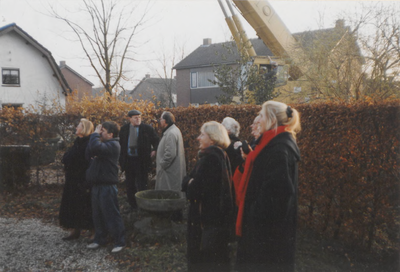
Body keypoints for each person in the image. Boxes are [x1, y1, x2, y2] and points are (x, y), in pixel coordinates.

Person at [235, 101, 301, 272]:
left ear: (272, 120)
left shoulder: (278, 149)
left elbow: (277, 196)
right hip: (265, 236)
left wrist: (252, 215)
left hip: (266, 238)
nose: (258, 119)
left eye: (262, 115)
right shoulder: (274, 145)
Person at [182, 121, 234, 271]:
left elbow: (194, 190)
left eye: (202, 134)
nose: (198, 138)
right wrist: (189, 181)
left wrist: (189, 182)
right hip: (213, 220)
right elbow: (189, 180)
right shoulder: (220, 155)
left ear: (212, 138)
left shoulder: (210, 159)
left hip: (204, 221)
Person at [86, 121, 126, 254]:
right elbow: (90, 150)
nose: (100, 133)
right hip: (98, 185)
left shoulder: (114, 145)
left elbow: (95, 148)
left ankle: (120, 241)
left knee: (111, 214)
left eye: (103, 131)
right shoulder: (104, 144)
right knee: (97, 215)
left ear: (110, 134)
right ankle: (99, 239)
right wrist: (95, 137)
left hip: (107, 186)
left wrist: (95, 135)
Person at [59, 118, 94, 240]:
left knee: (85, 204)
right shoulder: (77, 141)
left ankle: (92, 231)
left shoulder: (88, 143)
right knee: (72, 204)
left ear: (84, 128)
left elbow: (83, 160)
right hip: (72, 179)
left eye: (78, 126)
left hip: (82, 179)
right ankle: (75, 229)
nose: (76, 128)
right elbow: (68, 157)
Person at [119, 110, 159, 209]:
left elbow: (157, 140)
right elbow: (121, 145)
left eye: (139, 117)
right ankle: (133, 206)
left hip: (141, 161)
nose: (138, 119)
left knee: (142, 184)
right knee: (130, 184)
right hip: (128, 161)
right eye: (135, 117)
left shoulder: (147, 129)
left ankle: (143, 206)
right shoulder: (124, 129)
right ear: (130, 119)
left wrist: (155, 150)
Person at [155, 111, 186, 221]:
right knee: (173, 194)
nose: (159, 121)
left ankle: (173, 219)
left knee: (170, 194)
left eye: (161, 119)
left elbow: (170, 154)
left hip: (169, 171)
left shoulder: (171, 133)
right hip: (172, 170)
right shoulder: (173, 130)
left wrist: (162, 165)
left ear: (166, 121)